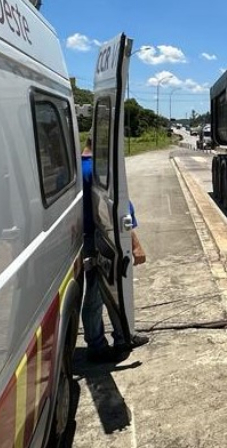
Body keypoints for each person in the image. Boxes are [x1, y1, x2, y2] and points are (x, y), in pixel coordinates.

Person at [81, 138, 148, 362]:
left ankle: (117, 338)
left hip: (88, 237)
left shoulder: (78, 168)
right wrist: (135, 244)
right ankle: (104, 343)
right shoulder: (101, 171)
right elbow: (121, 212)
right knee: (103, 292)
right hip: (103, 237)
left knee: (104, 291)